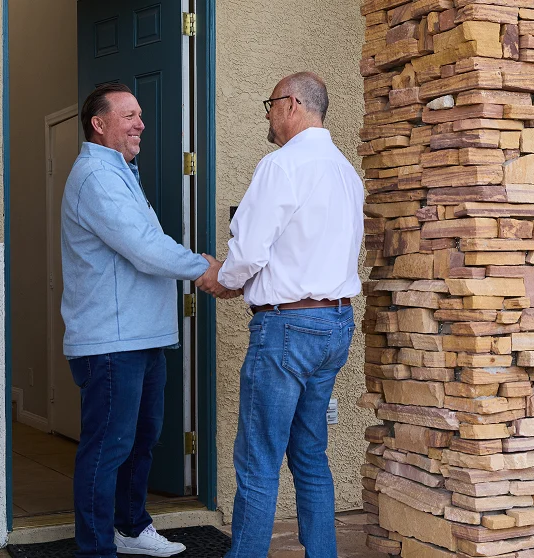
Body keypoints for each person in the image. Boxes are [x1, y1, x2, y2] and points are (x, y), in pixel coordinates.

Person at [60, 82, 223, 558]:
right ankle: (95, 549)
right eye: (129, 115)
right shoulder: (95, 176)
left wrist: (199, 266)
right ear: (99, 123)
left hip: (140, 337)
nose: (141, 124)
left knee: (140, 442)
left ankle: (130, 529)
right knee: (108, 449)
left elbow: (145, 242)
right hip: (111, 342)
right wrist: (203, 268)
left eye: (140, 115)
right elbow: (144, 247)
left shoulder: (121, 173)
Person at [216, 72, 364, 558]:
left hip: (286, 329)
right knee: (309, 456)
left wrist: (223, 279)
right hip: (335, 325)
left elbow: (250, 252)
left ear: (292, 105)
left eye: (270, 103)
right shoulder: (346, 171)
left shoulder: (281, 166)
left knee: (258, 461)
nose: (266, 113)